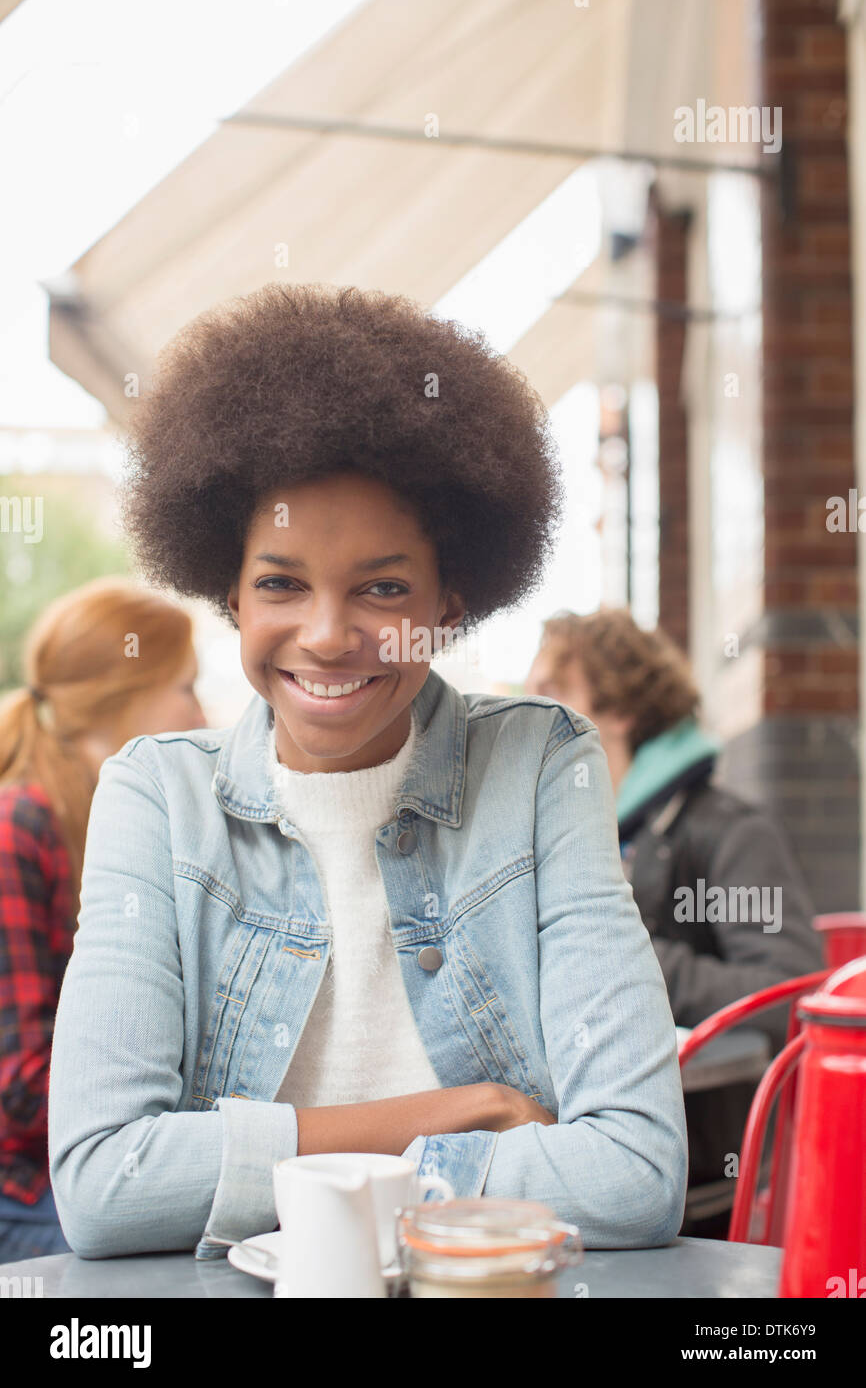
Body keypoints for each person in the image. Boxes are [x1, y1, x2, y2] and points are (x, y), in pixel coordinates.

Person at [48, 282, 687, 1260]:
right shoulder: (158, 798)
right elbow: (103, 1186)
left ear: (453, 600)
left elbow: (634, 1177)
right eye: (280, 583)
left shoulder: (538, 765)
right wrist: (447, 1117)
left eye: (383, 588)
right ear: (228, 590)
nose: (326, 635)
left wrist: (269, 1172)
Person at [525, 607, 824, 1235]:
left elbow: (792, 996)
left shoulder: (729, 830)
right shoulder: (573, 838)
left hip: (695, 1187)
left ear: (622, 710)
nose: (529, 717)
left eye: (552, 694)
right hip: (571, 1161)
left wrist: (624, 953)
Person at [0, 577, 205, 1261]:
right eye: (186, 686)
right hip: (25, 1187)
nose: (201, 716)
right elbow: (20, 1091)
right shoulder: (17, 825)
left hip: (83, 1168)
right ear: (125, 691)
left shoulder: (107, 825)